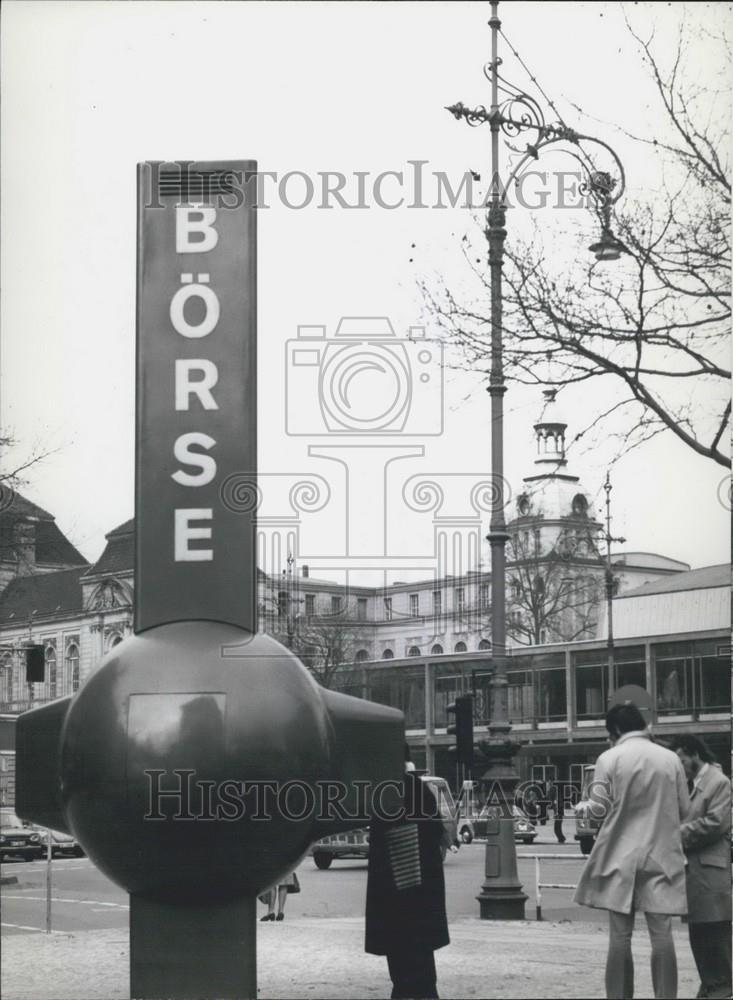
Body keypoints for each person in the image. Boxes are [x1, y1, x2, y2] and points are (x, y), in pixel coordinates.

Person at [574, 703, 690, 1000]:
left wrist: (585, 807)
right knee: (662, 934)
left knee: (620, 936)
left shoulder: (609, 758)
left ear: (613, 731)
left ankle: (620, 996)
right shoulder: (670, 759)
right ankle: (666, 995)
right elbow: (684, 809)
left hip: (619, 854)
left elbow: (598, 811)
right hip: (662, 854)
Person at [365, 746, 452, 999]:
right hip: (418, 897)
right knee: (421, 968)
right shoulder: (418, 789)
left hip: (399, 897)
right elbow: (436, 833)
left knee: (404, 970)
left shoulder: (389, 790)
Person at [674, 735, 732, 1000]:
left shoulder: (718, 782)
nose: (680, 766)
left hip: (710, 870)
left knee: (716, 931)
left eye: (682, 760)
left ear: (694, 754)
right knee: (699, 933)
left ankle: (720, 986)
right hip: (694, 872)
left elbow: (715, 823)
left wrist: (675, 834)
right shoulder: (690, 784)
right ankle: (710, 983)